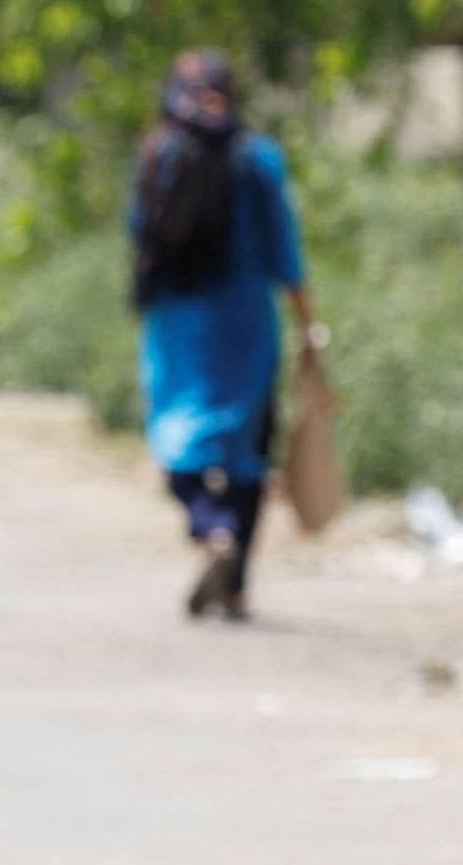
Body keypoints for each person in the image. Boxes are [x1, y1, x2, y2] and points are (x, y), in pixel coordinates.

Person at [130, 48, 326, 620]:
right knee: (247, 455)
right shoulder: (258, 159)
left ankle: (209, 527)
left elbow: (140, 237)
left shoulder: (157, 155)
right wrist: (307, 322)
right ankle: (237, 584)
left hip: (177, 327)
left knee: (176, 438)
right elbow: (284, 251)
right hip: (246, 324)